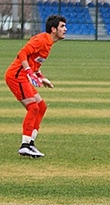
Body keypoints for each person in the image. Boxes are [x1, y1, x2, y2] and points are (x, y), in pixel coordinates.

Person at [5, 15, 66, 158]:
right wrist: (28, 72)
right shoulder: (41, 40)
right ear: (53, 29)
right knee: (33, 107)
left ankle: (30, 143)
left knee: (41, 106)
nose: (65, 29)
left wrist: (40, 76)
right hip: (16, 76)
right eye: (62, 26)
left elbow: (35, 63)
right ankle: (25, 145)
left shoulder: (49, 43)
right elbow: (22, 54)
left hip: (23, 76)